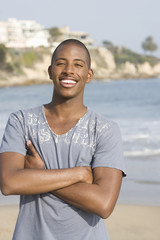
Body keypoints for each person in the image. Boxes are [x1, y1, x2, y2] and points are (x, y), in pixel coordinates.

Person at [0, 39, 126, 240]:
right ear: (50, 71)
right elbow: (9, 183)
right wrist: (79, 174)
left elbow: (103, 204)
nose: (69, 70)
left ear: (89, 75)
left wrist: (40, 174)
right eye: (61, 63)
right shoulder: (21, 121)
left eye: (78, 64)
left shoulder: (105, 129)